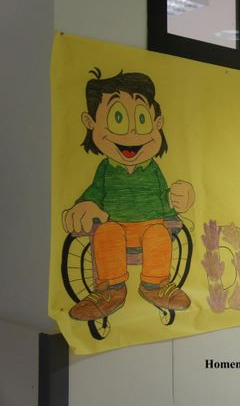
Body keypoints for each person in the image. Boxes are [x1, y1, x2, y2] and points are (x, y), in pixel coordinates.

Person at [62, 68, 195, 321]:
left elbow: (164, 197)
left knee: (159, 233)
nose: (131, 134)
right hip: (115, 227)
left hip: (150, 227)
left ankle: (155, 285)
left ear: (157, 124)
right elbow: (94, 194)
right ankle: (110, 290)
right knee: (106, 233)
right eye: (118, 118)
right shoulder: (105, 169)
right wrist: (85, 206)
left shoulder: (153, 169)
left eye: (142, 120)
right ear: (91, 123)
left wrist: (180, 198)